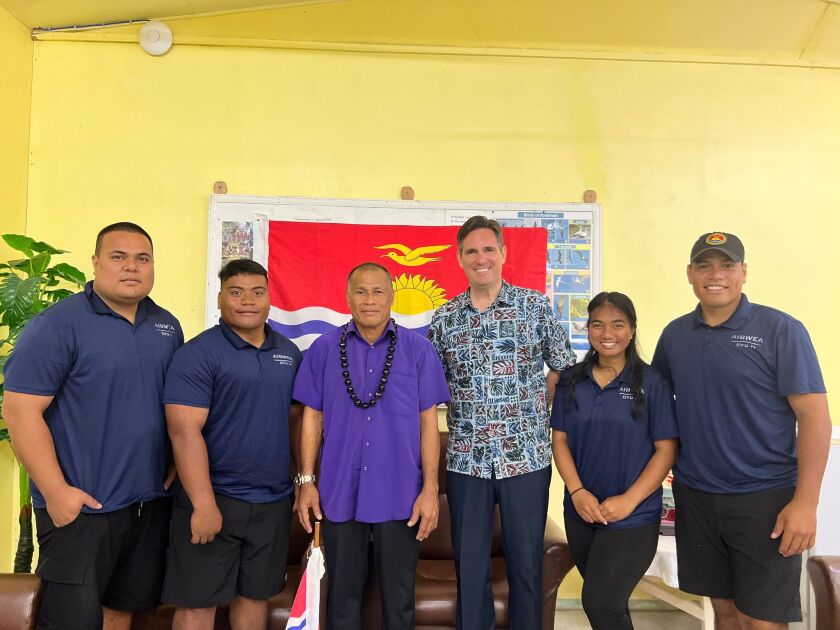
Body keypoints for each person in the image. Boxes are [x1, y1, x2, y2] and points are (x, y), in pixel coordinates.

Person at [2, 222, 182, 630]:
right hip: (81, 507)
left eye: (142, 258)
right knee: (73, 620)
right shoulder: (58, 325)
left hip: (148, 504)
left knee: (124, 610)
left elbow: (173, 405)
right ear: (96, 263)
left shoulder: (167, 326)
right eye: (118, 257)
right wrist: (56, 492)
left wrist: (174, 461)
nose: (131, 267)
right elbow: (19, 411)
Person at [652, 231, 832, 629]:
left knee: (762, 620)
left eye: (727, 265)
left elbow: (816, 418)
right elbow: (656, 408)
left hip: (765, 499)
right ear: (689, 274)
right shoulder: (675, 336)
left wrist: (806, 503)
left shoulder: (781, 330)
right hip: (697, 496)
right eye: (704, 265)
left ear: (743, 273)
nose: (716, 274)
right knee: (725, 612)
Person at [427, 215, 575, 630]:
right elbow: (428, 385)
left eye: (488, 248)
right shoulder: (445, 319)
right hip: (465, 461)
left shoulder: (534, 307)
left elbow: (563, 366)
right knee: (470, 564)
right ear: (459, 259)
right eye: (471, 251)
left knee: (526, 563)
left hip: (525, 458)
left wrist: (534, 401)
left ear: (503, 253)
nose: (481, 258)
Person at [294, 262, 450, 630]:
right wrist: (306, 482)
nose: (369, 300)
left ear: (391, 297)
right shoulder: (323, 349)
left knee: (399, 601)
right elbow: (311, 418)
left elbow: (430, 424)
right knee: (342, 599)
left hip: (400, 496)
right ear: (347, 297)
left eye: (378, 291)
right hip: (338, 494)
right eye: (360, 291)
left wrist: (430, 489)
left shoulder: (419, 351)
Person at [160, 259, 302, 630]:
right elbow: (183, 432)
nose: (248, 301)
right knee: (198, 603)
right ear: (220, 298)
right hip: (215, 497)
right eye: (236, 292)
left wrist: (301, 484)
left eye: (258, 292)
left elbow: (297, 422)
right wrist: (203, 504)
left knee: (255, 598)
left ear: (270, 298)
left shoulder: (288, 354)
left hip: (272, 502)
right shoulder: (198, 354)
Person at [551, 291, 678, 630]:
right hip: (581, 512)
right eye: (598, 324)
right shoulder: (570, 381)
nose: (608, 333)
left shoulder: (653, 383)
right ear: (588, 329)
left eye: (618, 324)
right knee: (607, 605)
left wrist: (629, 501)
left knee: (600, 602)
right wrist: (577, 492)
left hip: (632, 517)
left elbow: (666, 449)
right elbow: (559, 440)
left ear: (632, 330)